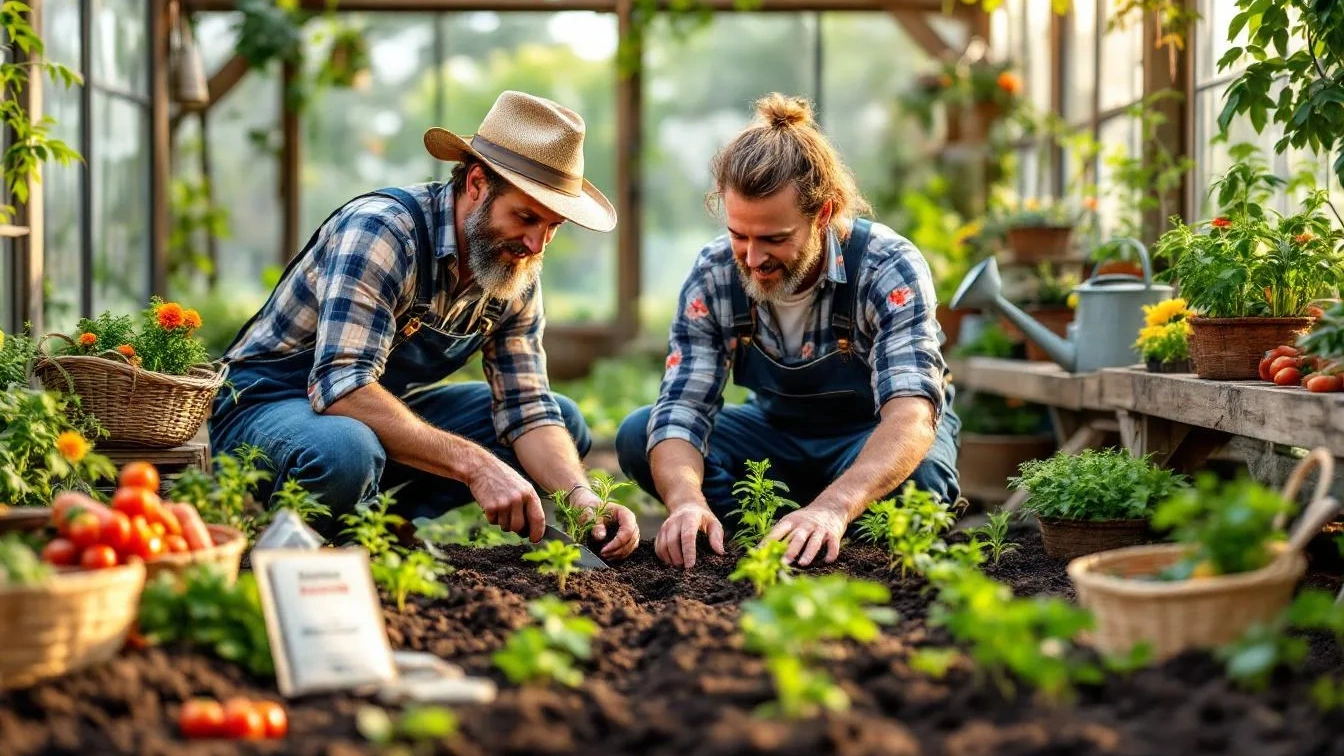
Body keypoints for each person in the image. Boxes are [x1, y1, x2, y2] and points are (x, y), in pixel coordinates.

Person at [210, 90, 639, 559]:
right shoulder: (382, 232)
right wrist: (476, 465)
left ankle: (384, 524)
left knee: (562, 423)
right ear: (477, 184)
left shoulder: (512, 271)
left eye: (553, 226)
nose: (537, 244)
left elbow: (527, 406)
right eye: (526, 217)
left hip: (365, 417)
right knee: (346, 450)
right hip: (264, 406)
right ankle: (293, 545)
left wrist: (582, 497)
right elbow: (343, 387)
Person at [616, 93, 959, 570]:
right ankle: (757, 537)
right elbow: (682, 408)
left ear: (824, 214)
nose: (753, 258)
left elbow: (911, 416)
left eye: (774, 239)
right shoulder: (714, 273)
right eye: (739, 235)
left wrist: (834, 506)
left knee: (920, 483)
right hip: (774, 440)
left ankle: (828, 532)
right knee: (641, 434)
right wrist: (686, 500)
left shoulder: (886, 266)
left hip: (868, 437)